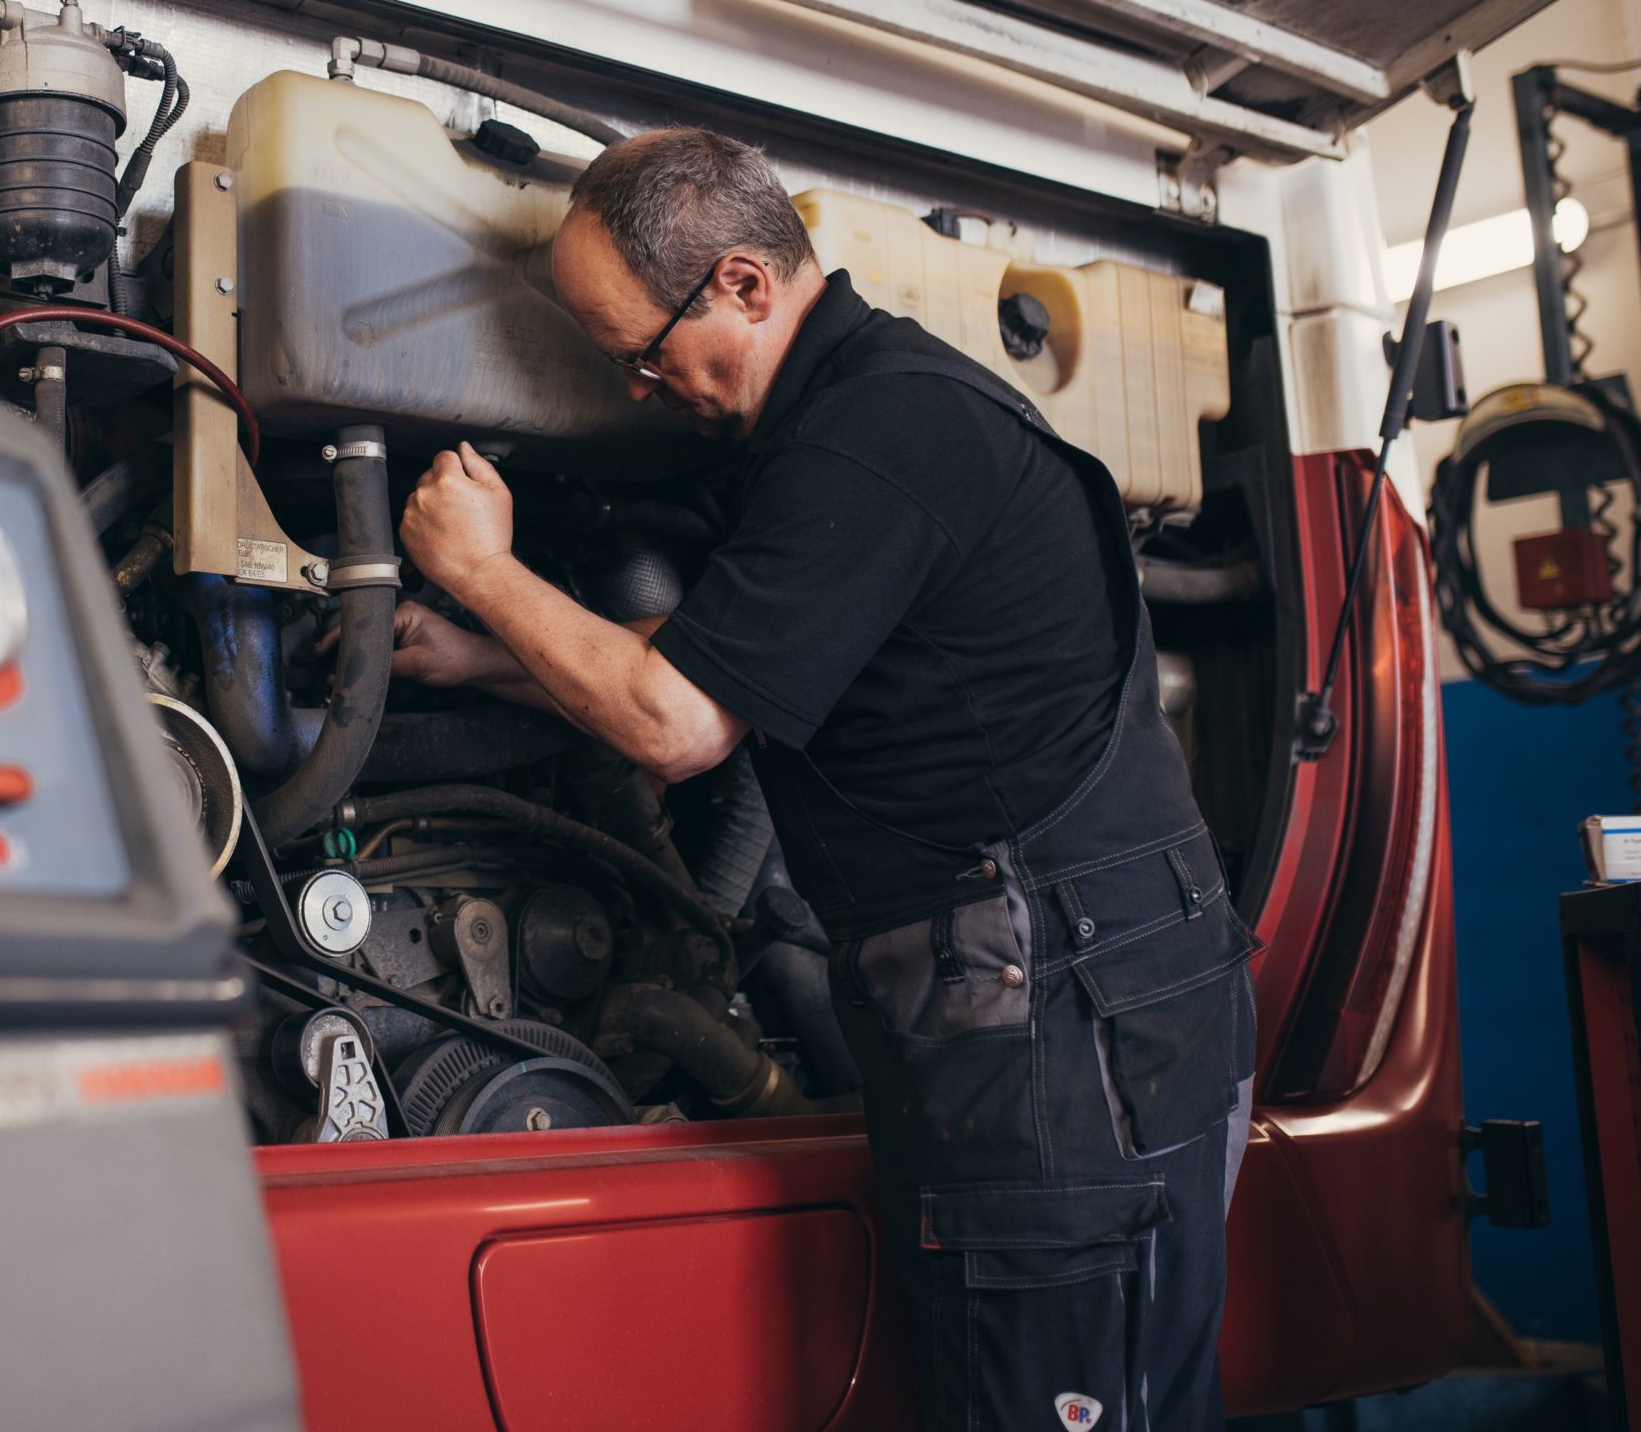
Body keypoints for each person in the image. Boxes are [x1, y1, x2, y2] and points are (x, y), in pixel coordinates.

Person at [391, 127, 1257, 1430]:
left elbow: (678, 721)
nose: (633, 388)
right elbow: (721, 663)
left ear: (744, 281)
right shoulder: (878, 410)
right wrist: (480, 655)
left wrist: (483, 571)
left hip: (1059, 1042)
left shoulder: (873, 438)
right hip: (1097, 1010)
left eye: (642, 350)